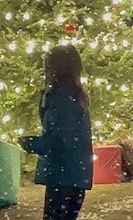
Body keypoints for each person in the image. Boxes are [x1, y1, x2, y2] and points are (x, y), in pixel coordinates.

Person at [21, 45, 93, 220]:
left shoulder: (61, 101)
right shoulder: (73, 97)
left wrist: (31, 144)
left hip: (63, 175)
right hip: (74, 174)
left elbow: (59, 141)